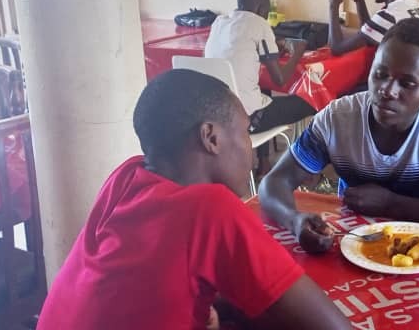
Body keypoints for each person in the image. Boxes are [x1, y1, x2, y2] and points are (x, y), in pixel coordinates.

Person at [37, 69, 351, 330]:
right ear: (211, 137)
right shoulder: (210, 208)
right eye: (245, 131)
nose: (252, 150)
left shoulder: (125, 176)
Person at [260, 18, 419, 254]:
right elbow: (274, 182)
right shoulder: (338, 118)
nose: (387, 90)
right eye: (380, 74)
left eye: (407, 83)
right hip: (352, 244)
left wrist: (393, 205)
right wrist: (294, 220)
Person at [204, 0, 317, 173]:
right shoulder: (258, 24)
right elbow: (280, 80)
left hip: (218, 116)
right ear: (261, 9)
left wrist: (272, 49)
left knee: (261, 91)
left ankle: (264, 163)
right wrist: (298, 52)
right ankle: (307, 168)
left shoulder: (219, 23)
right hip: (245, 120)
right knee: (311, 101)